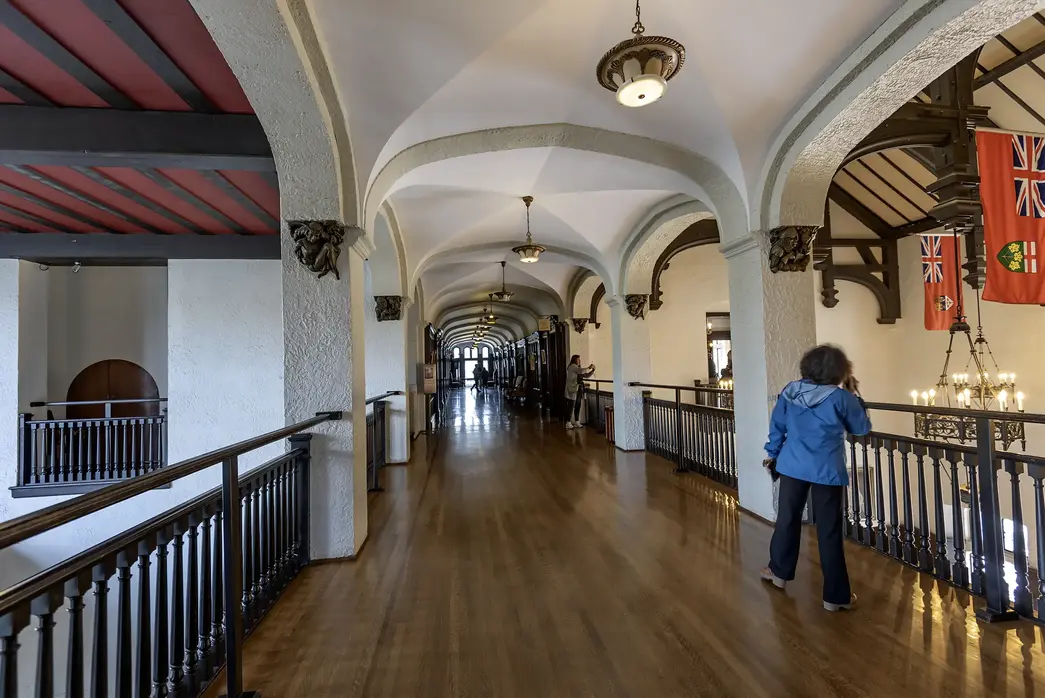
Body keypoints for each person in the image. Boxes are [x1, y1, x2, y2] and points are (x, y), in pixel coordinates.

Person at [760, 344, 871, 612]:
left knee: (787, 519)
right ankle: (835, 596)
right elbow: (861, 428)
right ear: (839, 370)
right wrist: (854, 394)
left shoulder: (790, 391)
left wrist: (772, 453)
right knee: (829, 530)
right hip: (827, 470)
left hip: (791, 465)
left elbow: (777, 427)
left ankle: (779, 573)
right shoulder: (842, 398)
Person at [564, 355, 595, 429]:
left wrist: (592, 371)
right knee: (571, 405)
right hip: (572, 389)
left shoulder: (577, 368)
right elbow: (581, 371)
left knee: (578, 404)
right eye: (578, 359)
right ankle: (568, 422)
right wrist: (589, 367)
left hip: (578, 388)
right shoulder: (572, 366)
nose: (579, 361)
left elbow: (586, 375)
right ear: (574, 360)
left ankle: (577, 421)